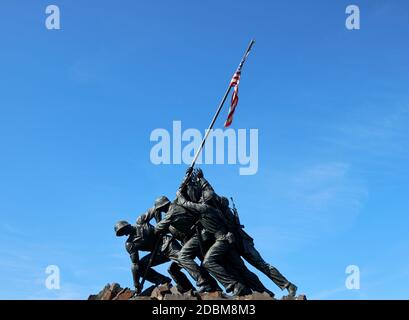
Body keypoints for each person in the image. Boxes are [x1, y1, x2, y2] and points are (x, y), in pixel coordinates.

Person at [194, 168, 298, 297]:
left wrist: (201, 179)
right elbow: (209, 191)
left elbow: (210, 192)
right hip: (232, 243)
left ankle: (288, 285)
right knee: (242, 269)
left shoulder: (221, 208)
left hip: (242, 241)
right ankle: (263, 292)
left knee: (262, 265)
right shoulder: (214, 208)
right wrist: (200, 179)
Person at [114, 217, 194, 294]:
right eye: (121, 233)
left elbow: (156, 209)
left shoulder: (141, 222)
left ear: (128, 225)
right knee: (140, 267)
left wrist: (158, 221)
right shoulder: (130, 244)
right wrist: (136, 285)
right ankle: (163, 281)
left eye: (123, 230)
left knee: (183, 261)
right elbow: (135, 264)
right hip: (158, 254)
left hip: (167, 244)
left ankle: (203, 283)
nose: (124, 234)